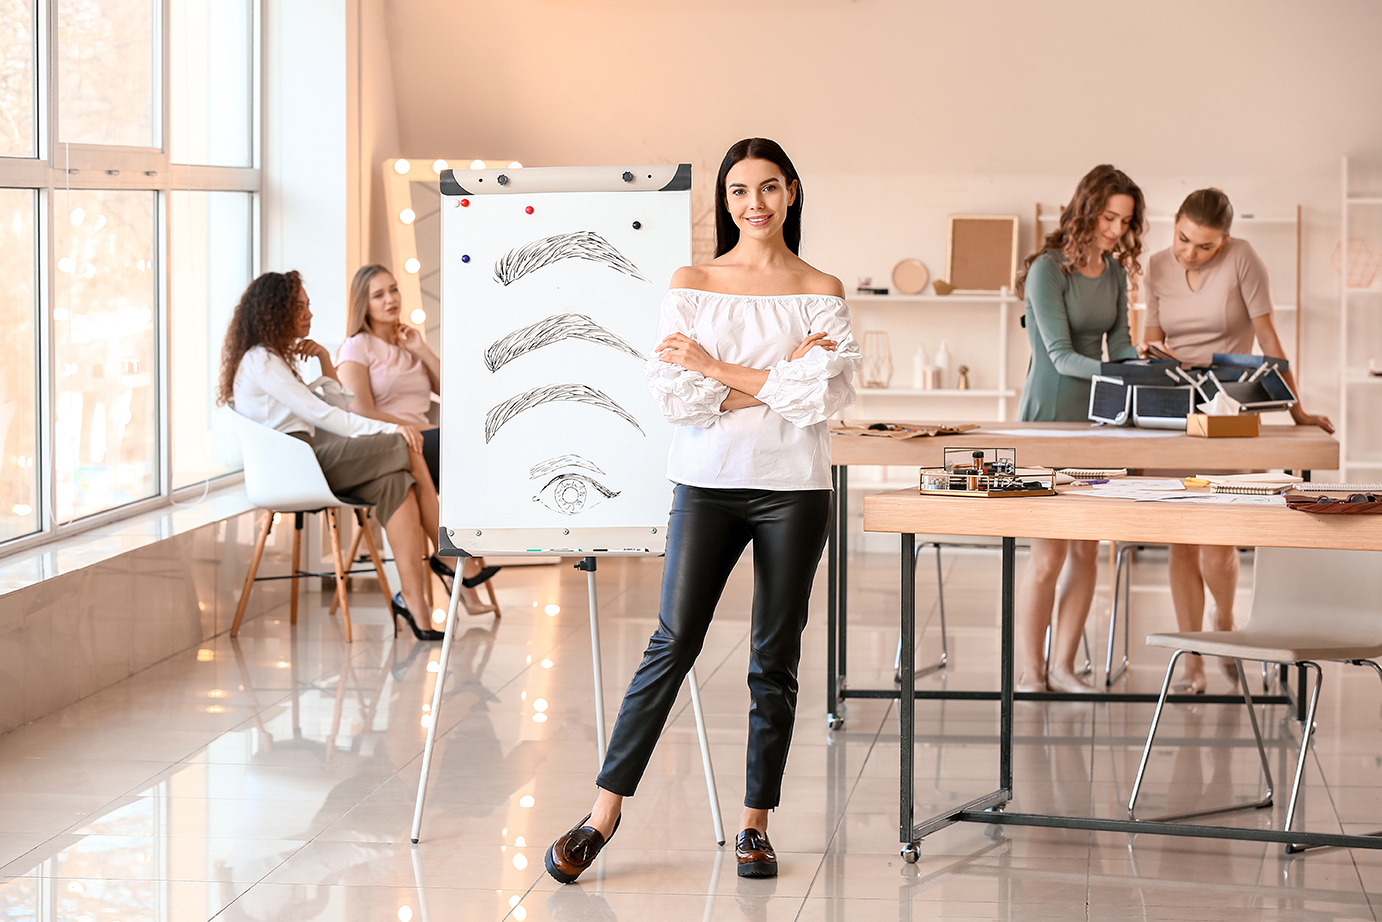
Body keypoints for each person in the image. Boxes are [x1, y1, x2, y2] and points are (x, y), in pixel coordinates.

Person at [544, 138, 860, 884]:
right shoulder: (691, 281)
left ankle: (755, 827)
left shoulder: (822, 288)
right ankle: (601, 815)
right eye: (740, 191)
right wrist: (778, 376)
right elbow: (674, 398)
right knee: (672, 640)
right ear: (725, 201)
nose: (755, 204)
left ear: (792, 194)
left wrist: (717, 369)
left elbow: (827, 397)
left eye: (770, 188)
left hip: (796, 488)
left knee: (773, 658)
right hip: (706, 482)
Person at [1140, 188, 1333, 693]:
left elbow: (1269, 342)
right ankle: (1191, 658)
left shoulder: (1243, 258)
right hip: (1176, 412)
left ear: (1223, 239)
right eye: (1183, 239)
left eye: (1205, 247)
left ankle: (1224, 623)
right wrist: (1153, 354)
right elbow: (1148, 338)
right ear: (1176, 223)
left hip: (1230, 410)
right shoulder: (1157, 266)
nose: (1189, 253)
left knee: (1217, 540)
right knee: (1180, 544)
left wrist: (1297, 410)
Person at [218, 269, 446, 641]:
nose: (309, 314)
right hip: (294, 468)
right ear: (275, 311)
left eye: (309, 306)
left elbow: (338, 406)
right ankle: (447, 551)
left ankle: (416, 607)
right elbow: (324, 415)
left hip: (305, 459)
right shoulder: (262, 360)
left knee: (396, 483)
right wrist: (393, 428)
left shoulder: (273, 358)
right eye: (299, 307)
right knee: (402, 443)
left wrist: (325, 358)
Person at [1015, 164, 1145, 694]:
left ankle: (1065, 668)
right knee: (1047, 557)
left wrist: (1145, 369)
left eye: (1125, 220)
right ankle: (1031, 671)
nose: (1115, 229)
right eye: (1109, 216)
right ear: (1086, 209)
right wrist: (1119, 372)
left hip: (1099, 424)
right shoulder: (1048, 270)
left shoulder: (1113, 272)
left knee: (1088, 549)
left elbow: (1123, 343)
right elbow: (1061, 357)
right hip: (1047, 420)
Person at [337, 264, 499, 605]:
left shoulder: (407, 341)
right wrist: (422, 429)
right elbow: (360, 411)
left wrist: (421, 349)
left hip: (426, 440)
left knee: (475, 454)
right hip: (392, 444)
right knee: (474, 453)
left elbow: (451, 395)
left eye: (393, 290)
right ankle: (460, 563)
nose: (390, 299)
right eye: (378, 294)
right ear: (362, 304)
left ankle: (459, 566)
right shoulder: (356, 347)